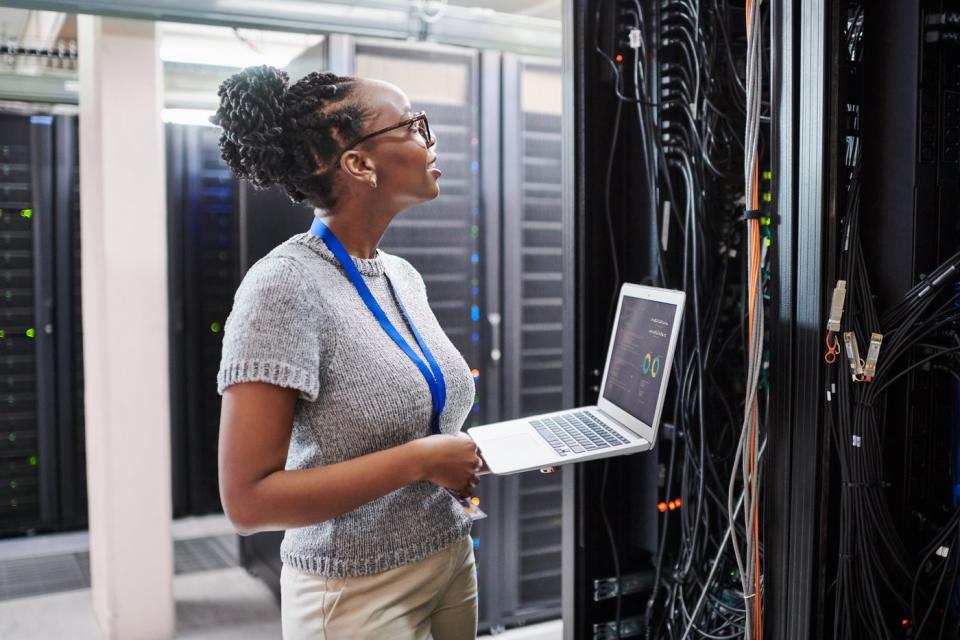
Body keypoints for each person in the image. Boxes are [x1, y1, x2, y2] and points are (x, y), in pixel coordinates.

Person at [212, 65, 483, 640]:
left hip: (447, 556)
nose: (430, 141)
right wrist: (424, 459)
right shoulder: (282, 287)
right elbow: (248, 502)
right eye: (413, 127)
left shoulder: (401, 276)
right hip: (354, 591)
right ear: (359, 164)